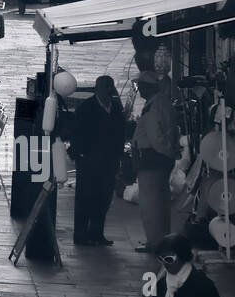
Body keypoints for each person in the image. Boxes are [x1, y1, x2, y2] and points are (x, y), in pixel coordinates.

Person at [71, 74, 126, 246]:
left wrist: (118, 155)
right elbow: (77, 134)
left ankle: (97, 233)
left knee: (104, 197)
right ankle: (80, 235)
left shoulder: (116, 108)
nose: (108, 91)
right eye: (105, 87)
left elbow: (120, 132)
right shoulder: (86, 108)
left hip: (109, 161)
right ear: (98, 89)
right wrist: (81, 154)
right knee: (85, 198)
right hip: (89, 161)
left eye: (110, 87)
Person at [133, 71, 181, 252]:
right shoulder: (164, 103)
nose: (139, 91)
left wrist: (167, 152)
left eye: (141, 87)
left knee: (150, 203)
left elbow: (156, 138)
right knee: (161, 202)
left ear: (149, 87)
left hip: (151, 159)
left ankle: (154, 242)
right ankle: (162, 239)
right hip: (161, 159)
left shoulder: (153, 107)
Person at [142, 234, 227, 297]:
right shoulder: (162, 284)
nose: (164, 263)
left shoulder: (202, 284)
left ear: (182, 256)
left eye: (169, 259)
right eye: (161, 259)